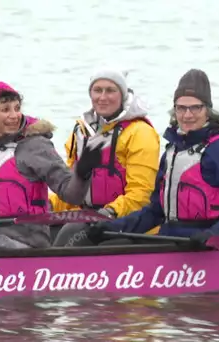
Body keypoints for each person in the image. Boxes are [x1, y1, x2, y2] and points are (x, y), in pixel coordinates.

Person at [87, 69, 219, 245]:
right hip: (171, 237)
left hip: (204, 242)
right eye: (181, 108)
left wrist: (215, 234)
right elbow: (155, 211)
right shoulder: (172, 151)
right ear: (174, 110)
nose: (187, 115)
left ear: (207, 110)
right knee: (109, 243)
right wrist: (113, 227)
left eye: (195, 108)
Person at [51, 67, 161, 247]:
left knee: (71, 232)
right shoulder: (82, 132)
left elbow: (141, 195)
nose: (102, 97)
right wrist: (45, 205)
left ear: (122, 95)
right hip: (89, 217)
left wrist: (108, 213)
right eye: (97, 90)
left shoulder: (140, 133)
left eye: (110, 90)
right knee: (42, 231)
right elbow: (72, 189)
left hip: (125, 222)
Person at [0, 81, 102, 248]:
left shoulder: (34, 146)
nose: (15, 115)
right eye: (5, 110)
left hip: (25, 242)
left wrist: (82, 173)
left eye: (17, 108)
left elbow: (72, 195)